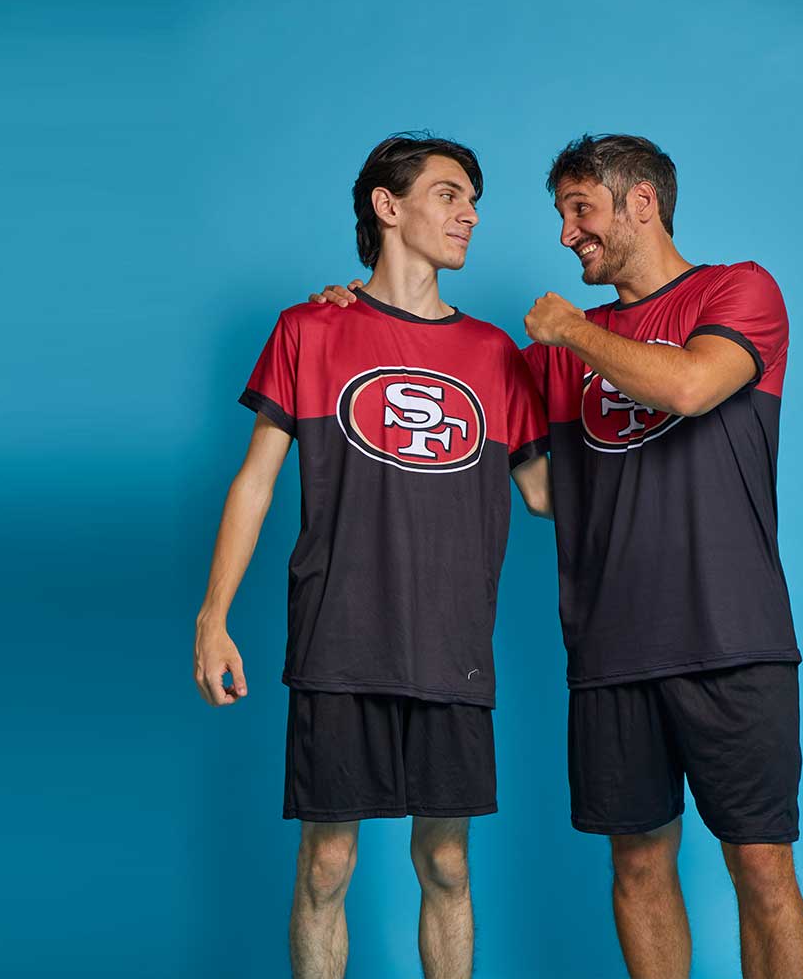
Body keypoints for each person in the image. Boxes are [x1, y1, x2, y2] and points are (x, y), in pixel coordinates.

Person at [312, 133, 803, 979]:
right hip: (611, 649)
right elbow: (469, 412)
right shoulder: (551, 357)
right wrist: (354, 314)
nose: (566, 233)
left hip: (733, 638)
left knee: (761, 868)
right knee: (638, 868)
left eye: (581, 210)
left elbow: (690, 386)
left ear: (641, 202)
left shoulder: (737, 290)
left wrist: (572, 331)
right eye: (561, 214)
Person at [194, 134, 551, 979]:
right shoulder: (310, 329)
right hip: (339, 637)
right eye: (449, 195)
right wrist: (213, 618)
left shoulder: (496, 355)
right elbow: (254, 482)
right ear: (387, 207)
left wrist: (620, 383)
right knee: (326, 865)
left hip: (452, 646)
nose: (470, 215)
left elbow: (545, 495)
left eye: (474, 201)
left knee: (447, 864)